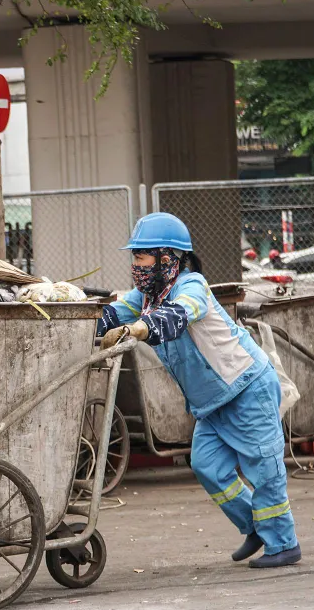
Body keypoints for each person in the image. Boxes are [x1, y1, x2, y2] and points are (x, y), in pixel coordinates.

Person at [98, 212, 301, 568]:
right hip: (211, 403)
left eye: (142, 256)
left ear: (168, 258)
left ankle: (283, 544)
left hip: (246, 389)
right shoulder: (144, 298)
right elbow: (113, 314)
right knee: (208, 467)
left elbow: (178, 315)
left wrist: (136, 332)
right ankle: (255, 526)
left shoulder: (191, 287)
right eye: (134, 256)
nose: (135, 264)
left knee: (263, 470)